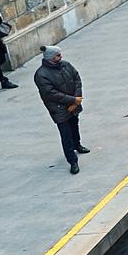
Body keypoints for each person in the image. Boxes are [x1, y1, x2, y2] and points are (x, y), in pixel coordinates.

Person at [35, 45, 88, 174]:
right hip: (59, 108)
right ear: (50, 57)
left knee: (74, 125)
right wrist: (73, 100)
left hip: (73, 102)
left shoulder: (65, 65)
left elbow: (76, 79)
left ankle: (78, 144)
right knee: (66, 135)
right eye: (57, 55)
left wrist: (77, 97)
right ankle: (72, 161)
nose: (61, 57)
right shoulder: (41, 75)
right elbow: (51, 94)